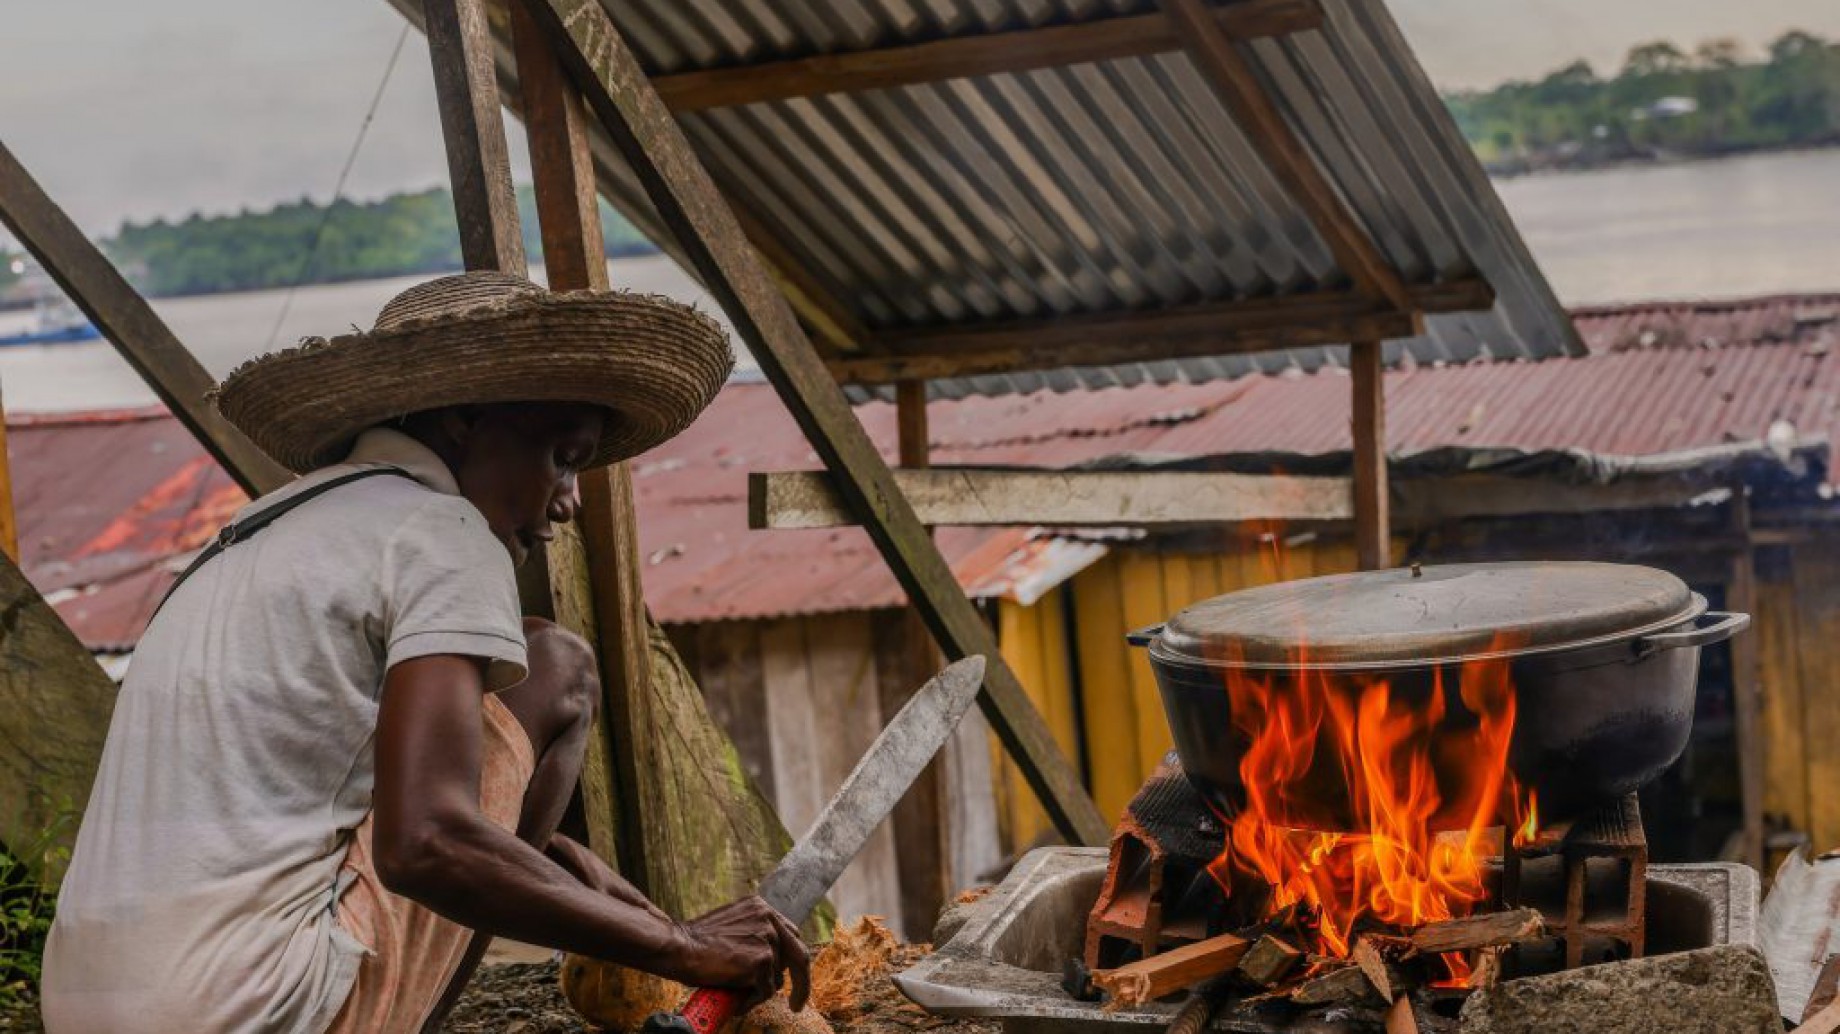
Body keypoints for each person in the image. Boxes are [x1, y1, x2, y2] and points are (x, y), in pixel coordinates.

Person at [41, 272, 809, 1033]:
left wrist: (565, 866)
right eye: (564, 457)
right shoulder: (442, 532)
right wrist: (684, 948)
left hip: (83, 1004)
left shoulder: (256, 532)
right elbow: (426, 842)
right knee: (555, 668)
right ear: (465, 422)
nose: (568, 500)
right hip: (249, 1010)